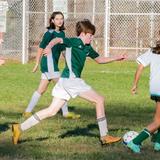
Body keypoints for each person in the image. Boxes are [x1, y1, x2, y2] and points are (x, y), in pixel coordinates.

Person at [12, 19, 126, 145]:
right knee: (99, 100)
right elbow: (57, 40)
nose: (92, 37)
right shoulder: (73, 42)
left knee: (51, 111)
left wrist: (116, 57)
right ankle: (104, 136)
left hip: (65, 82)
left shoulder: (87, 47)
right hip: (72, 81)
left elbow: (99, 59)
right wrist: (49, 47)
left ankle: (19, 128)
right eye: (90, 35)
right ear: (82, 33)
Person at [23, 11, 80, 119]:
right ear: (52, 20)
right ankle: (66, 113)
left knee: (41, 89)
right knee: (62, 86)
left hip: (52, 64)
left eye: (61, 19)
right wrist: (36, 63)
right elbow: (41, 47)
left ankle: (27, 112)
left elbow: (63, 50)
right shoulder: (49, 33)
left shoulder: (62, 34)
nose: (59, 21)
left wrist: (69, 63)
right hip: (48, 64)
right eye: (57, 19)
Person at [126, 41, 160, 153]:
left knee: (158, 118)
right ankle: (135, 142)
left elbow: (140, 66)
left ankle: (158, 143)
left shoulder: (154, 50)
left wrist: (135, 84)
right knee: (158, 122)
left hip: (155, 88)